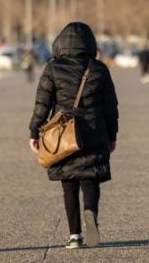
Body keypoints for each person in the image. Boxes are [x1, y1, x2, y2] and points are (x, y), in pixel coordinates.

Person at [28, 22, 119, 249]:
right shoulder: (99, 69)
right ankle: (90, 213)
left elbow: (42, 104)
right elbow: (110, 106)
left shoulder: (52, 69)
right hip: (95, 131)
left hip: (63, 135)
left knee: (68, 184)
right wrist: (112, 135)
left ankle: (74, 236)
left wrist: (34, 131)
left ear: (59, 44)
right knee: (90, 179)